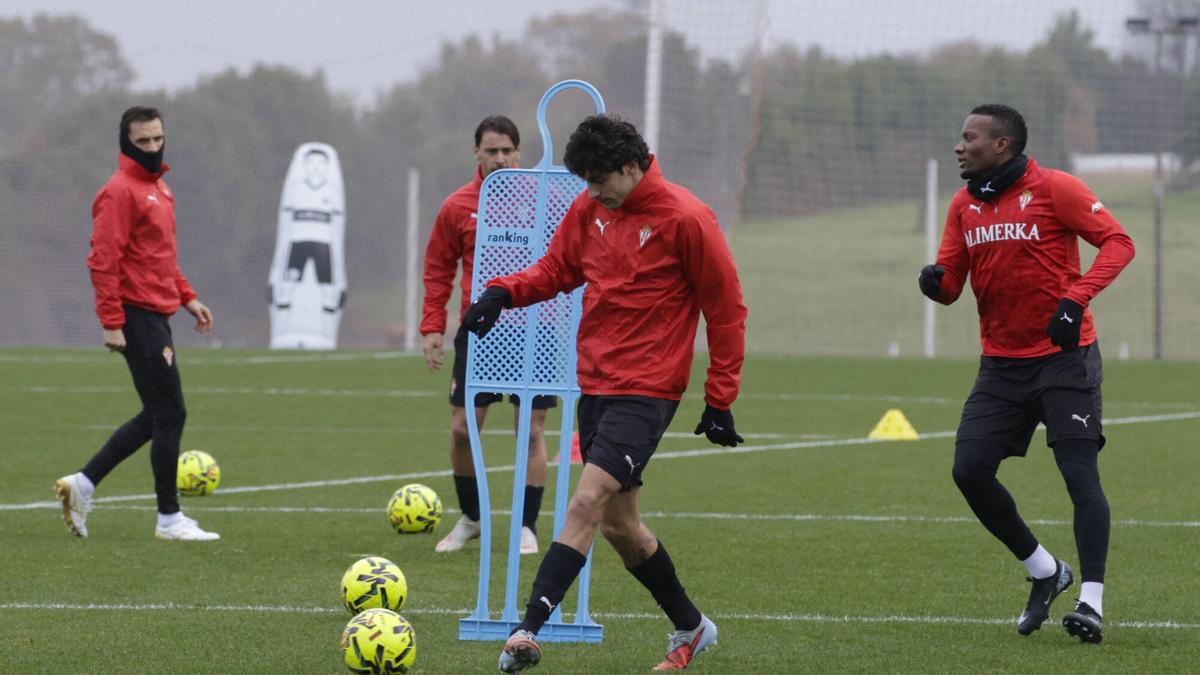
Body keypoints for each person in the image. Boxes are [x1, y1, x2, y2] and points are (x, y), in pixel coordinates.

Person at [461, 115, 747, 672]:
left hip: (648, 391)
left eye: (598, 180)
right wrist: (502, 292)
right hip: (595, 382)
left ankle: (526, 630)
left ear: (632, 167)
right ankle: (691, 626)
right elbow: (557, 269)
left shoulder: (688, 219)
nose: (590, 193)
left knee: (585, 501)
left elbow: (727, 308)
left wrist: (720, 396)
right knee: (620, 526)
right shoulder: (591, 208)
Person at [919, 104, 1134, 644]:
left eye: (970, 138)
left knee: (1079, 476)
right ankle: (1045, 570)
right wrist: (935, 283)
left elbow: (1119, 243)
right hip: (1001, 366)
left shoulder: (1056, 188)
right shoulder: (963, 205)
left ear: (1003, 146)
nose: (959, 146)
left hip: (1065, 360)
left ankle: (1091, 602)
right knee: (969, 470)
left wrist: (1075, 297)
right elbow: (952, 286)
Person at [54, 106, 220, 542]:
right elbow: (103, 260)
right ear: (127, 143)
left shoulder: (159, 189)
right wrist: (111, 322)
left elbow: (160, 255)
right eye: (142, 141)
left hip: (157, 313)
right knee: (171, 412)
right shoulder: (119, 191)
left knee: (155, 415)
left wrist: (187, 297)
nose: (152, 147)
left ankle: (81, 485)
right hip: (136, 316)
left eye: (157, 139)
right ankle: (169, 519)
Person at [421, 115, 555, 555]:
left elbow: (569, 263)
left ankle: (526, 526)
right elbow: (438, 268)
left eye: (507, 151)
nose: (500, 159)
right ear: (476, 153)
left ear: (520, 153)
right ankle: (472, 518)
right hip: (480, 333)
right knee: (462, 431)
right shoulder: (458, 206)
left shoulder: (544, 200)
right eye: (491, 151)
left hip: (536, 331)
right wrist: (432, 327)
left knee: (530, 433)